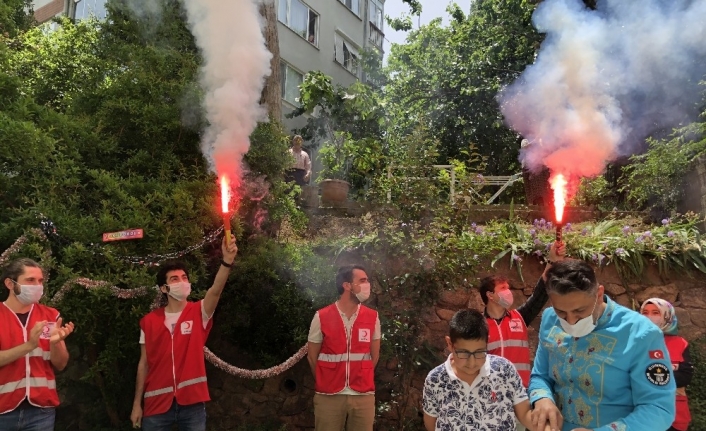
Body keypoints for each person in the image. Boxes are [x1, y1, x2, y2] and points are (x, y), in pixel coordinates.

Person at [530, 260, 676, 431]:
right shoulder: (550, 319)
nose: (570, 320)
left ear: (599, 294)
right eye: (561, 311)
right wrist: (542, 399)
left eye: (580, 311)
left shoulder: (640, 333)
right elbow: (540, 376)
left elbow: (658, 409)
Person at [130, 237, 238, 431]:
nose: (182, 282)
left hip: (192, 403)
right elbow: (143, 364)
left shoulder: (199, 312)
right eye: (175, 279)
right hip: (156, 403)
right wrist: (137, 404)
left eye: (184, 278)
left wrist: (227, 260)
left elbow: (215, 291)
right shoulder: (149, 321)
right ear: (164, 289)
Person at [422, 309, 534, 431]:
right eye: (463, 353)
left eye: (479, 352)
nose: (472, 362)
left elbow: (524, 414)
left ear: (487, 342)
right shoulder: (435, 380)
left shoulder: (504, 370)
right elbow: (431, 424)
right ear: (450, 344)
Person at [0, 258, 74, 431]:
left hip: (41, 411)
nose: (37, 286)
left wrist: (56, 344)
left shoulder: (50, 315)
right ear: (10, 284)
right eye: (30, 280)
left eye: (40, 281)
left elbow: (61, 364)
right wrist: (30, 345)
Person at [479, 242, 565, 389]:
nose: (509, 292)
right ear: (490, 295)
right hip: (491, 398)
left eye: (509, 288)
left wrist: (552, 261)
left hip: (522, 395)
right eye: (503, 288)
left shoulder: (519, 317)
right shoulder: (479, 326)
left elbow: (541, 292)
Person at [307, 264, 381, 431]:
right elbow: (312, 357)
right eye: (362, 280)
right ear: (347, 285)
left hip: (363, 396)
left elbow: (374, 356)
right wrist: (325, 379)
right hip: (329, 396)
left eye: (367, 280)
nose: (367, 284)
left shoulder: (373, 317)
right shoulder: (321, 316)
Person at [641, 298, 692, 431]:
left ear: (667, 315)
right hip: (641, 413)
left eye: (655, 312)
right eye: (645, 312)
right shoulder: (634, 342)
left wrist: (645, 376)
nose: (649, 316)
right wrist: (665, 373)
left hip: (674, 416)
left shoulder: (680, 343)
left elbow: (684, 377)